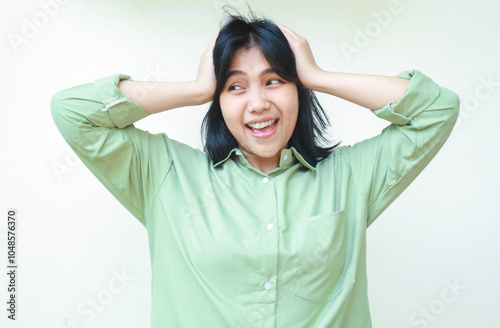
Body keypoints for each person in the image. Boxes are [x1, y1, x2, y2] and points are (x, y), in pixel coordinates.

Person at [51, 13, 459, 328]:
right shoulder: (164, 174)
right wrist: (197, 89)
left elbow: (437, 110)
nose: (258, 103)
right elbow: (73, 113)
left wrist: (317, 76)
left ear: (297, 90)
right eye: (236, 86)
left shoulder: (350, 176)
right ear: (219, 100)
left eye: (274, 81)